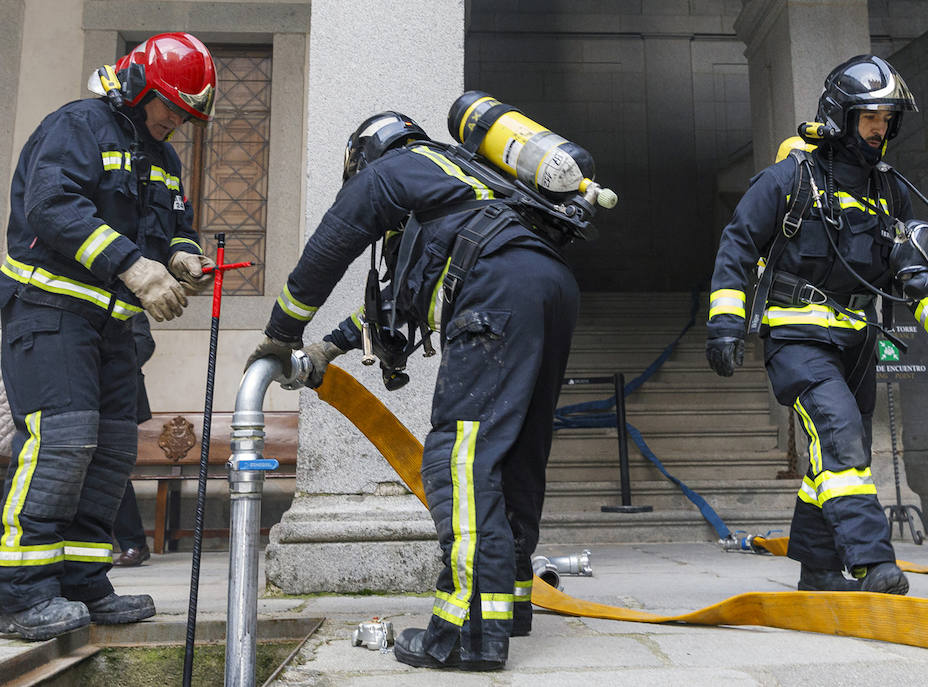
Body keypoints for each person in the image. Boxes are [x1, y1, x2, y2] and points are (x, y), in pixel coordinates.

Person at [247, 108, 586, 671]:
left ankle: (467, 631)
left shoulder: (396, 170)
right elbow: (394, 307)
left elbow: (332, 243)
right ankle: (510, 604)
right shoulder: (463, 184)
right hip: (549, 287)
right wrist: (329, 348)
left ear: (367, 154)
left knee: (461, 456)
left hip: (498, 290)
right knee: (517, 451)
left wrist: (282, 334)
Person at [705, 55, 928, 596]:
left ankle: (820, 571)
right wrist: (725, 325)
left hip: (858, 342)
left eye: (886, 118)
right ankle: (872, 562)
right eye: (869, 116)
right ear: (841, 116)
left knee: (836, 459)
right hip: (797, 338)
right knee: (841, 440)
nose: (880, 129)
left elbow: (910, 269)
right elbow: (736, 246)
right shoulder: (788, 179)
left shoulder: (888, 190)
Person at [0, 32, 216, 640]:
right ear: (142, 86)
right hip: (48, 309)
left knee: (114, 449)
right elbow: (52, 208)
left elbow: (176, 225)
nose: (176, 121)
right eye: (172, 107)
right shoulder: (77, 125)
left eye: (186, 114)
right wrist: (133, 265)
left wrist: (182, 259)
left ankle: (85, 580)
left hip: (112, 323)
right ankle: (18, 592)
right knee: (62, 444)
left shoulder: (164, 156)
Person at [111, 313, 155, 567]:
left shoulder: (123, 293)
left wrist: (111, 365)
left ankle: (133, 543)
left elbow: (144, 342)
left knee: (113, 470)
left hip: (119, 396)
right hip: (78, 394)